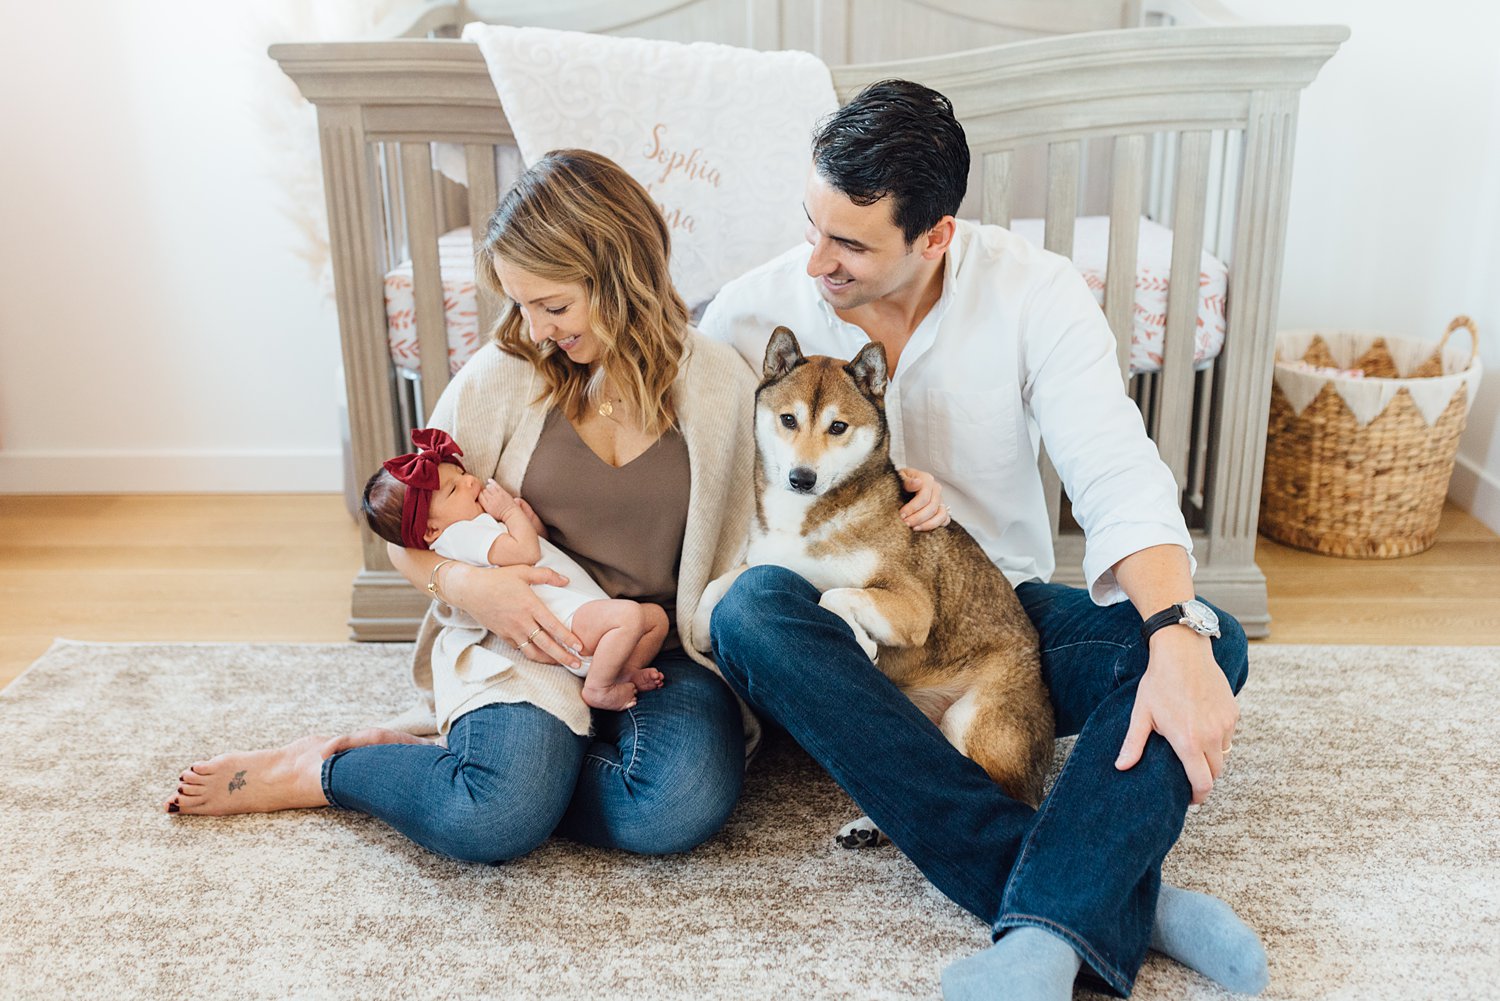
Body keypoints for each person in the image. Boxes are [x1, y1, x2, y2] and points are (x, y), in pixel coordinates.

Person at [699, 81, 1267, 1000]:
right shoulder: (753, 308)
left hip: (994, 611)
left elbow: (1116, 467)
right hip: (836, 636)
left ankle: (1051, 920)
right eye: (811, 224)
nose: (817, 262)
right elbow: (684, 452)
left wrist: (1170, 631)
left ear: (935, 234)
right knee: (750, 614)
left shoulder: (1032, 290)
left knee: (1205, 635)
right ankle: (1114, 901)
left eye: (850, 242)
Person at [164, 149, 759, 865]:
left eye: (554, 304)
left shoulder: (721, 385)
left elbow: (760, 535)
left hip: (657, 651)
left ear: (619, 274)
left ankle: (486, 762)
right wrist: (473, 586)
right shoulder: (501, 380)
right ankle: (326, 769)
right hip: (522, 637)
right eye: (523, 305)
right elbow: (402, 530)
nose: (537, 329)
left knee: (672, 807)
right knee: (492, 818)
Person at [362, 427, 669, 710]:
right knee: (630, 616)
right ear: (431, 530)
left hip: (582, 610)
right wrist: (509, 512)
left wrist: (528, 523)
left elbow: (538, 551)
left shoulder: (475, 526)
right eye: (454, 490)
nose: (470, 480)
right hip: (567, 622)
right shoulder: (460, 536)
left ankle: (619, 671)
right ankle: (598, 688)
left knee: (655, 619)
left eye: (460, 473)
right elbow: (525, 551)